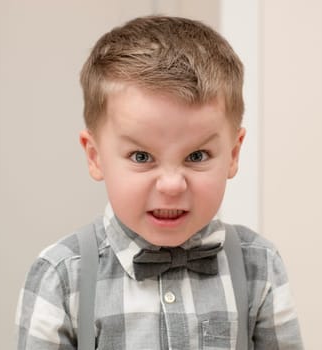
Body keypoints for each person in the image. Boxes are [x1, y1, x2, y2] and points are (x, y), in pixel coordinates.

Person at [15, 15, 303, 349]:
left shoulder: (259, 267)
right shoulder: (60, 277)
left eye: (196, 156)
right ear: (95, 156)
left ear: (234, 154)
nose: (171, 185)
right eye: (141, 156)